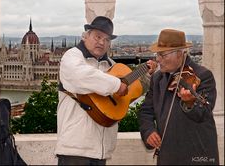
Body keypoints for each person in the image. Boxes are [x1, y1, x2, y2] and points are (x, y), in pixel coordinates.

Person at [55, 16, 129, 165]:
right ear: (86, 36)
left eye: (107, 40)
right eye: (98, 36)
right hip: (75, 150)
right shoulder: (72, 56)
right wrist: (116, 85)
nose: (102, 42)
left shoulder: (111, 65)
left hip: (102, 151)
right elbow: (81, 76)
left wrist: (146, 74)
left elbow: (125, 93)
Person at [138, 29, 219, 165]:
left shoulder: (203, 76)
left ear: (180, 54)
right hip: (167, 156)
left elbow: (204, 113)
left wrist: (190, 103)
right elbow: (146, 111)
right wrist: (149, 131)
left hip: (197, 156)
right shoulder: (157, 78)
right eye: (157, 54)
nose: (158, 59)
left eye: (163, 55)